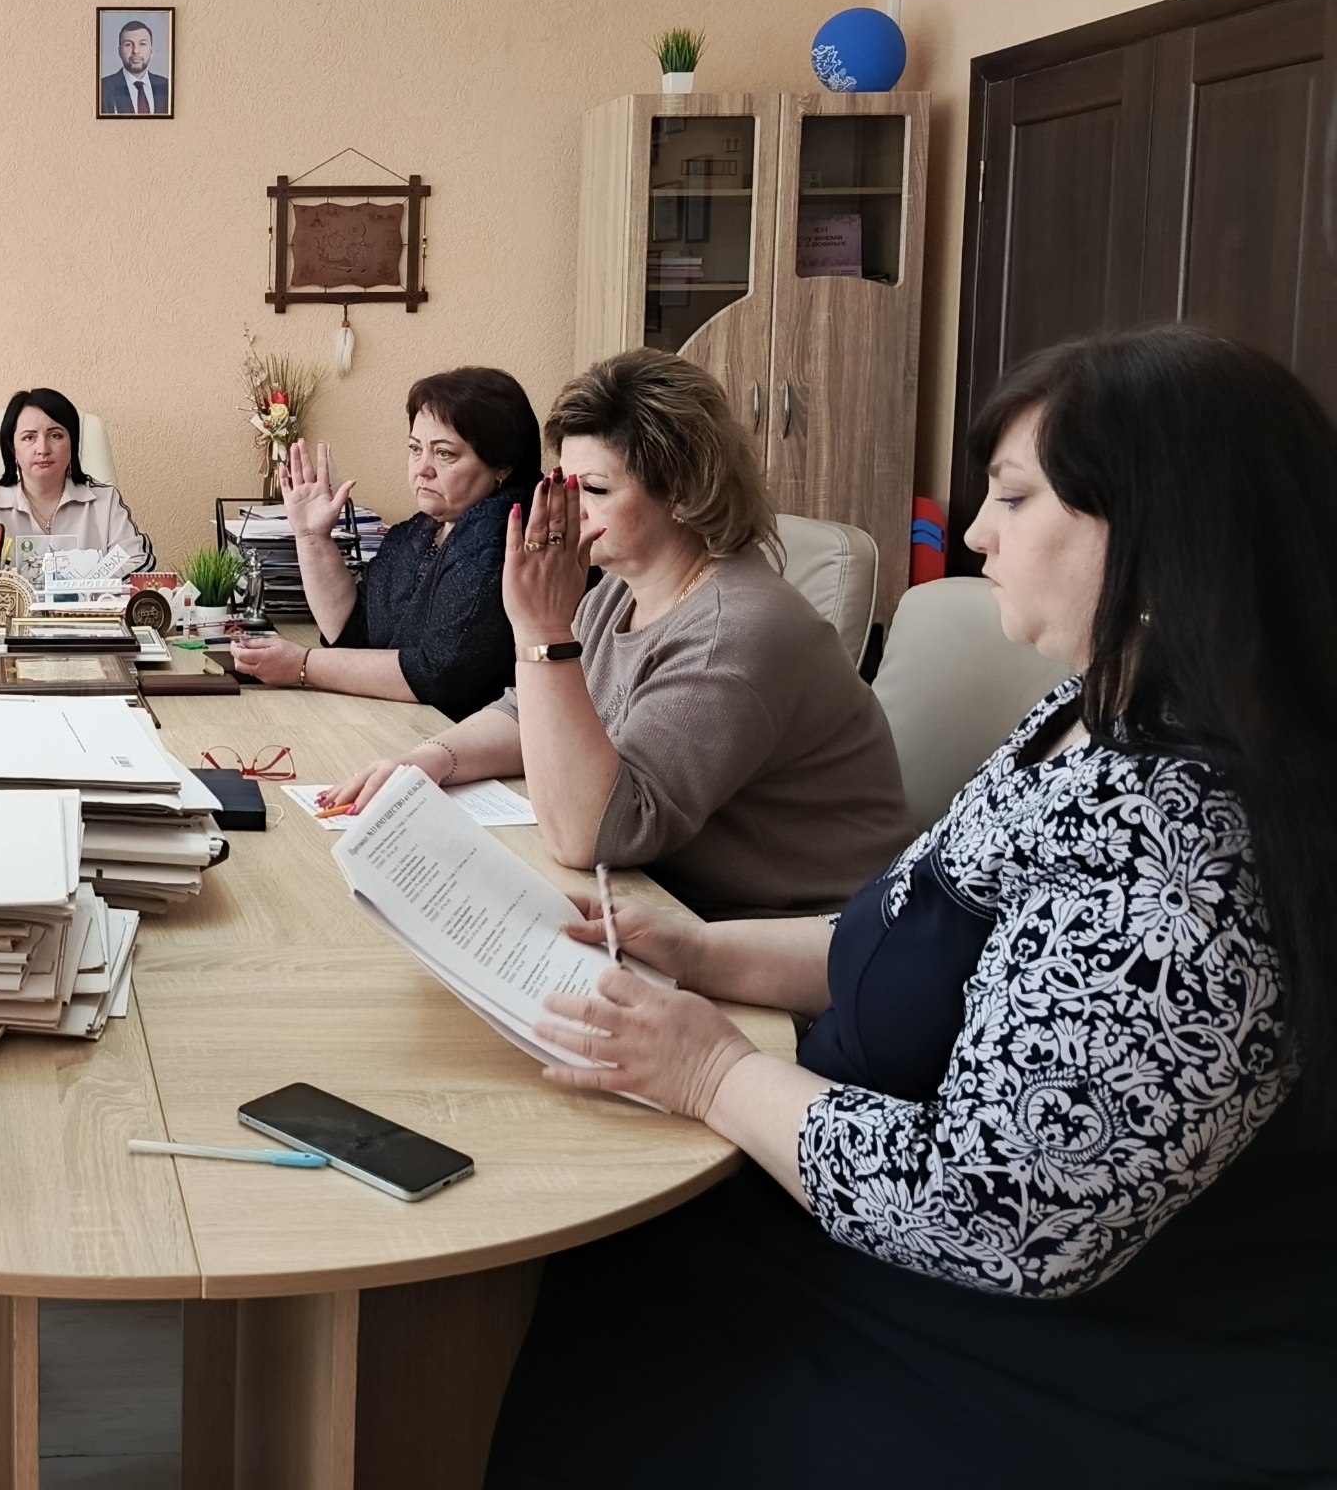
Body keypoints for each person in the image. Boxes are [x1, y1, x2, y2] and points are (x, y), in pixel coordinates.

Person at [487, 326, 1337, 1488]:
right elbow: (909, 930)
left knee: (609, 1333)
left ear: (1155, 530)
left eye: (1014, 497)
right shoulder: (1088, 714)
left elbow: (997, 1215)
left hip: (1045, 1347)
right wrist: (698, 950)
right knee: (583, 1260)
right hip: (872, 1198)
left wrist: (712, 1073)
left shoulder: (1182, 839)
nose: (973, 533)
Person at [324, 349, 907, 918]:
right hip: (662, 899)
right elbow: (527, 712)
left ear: (684, 493)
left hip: (794, 934)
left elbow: (593, 834)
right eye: (568, 485)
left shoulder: (730, 632)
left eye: (597, 491)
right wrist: (429, 760)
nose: (571, 510)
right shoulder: (619, 590)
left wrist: (541, 628)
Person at [229, 367, 538, 719]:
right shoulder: (420, 531)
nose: (423, 468)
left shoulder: (503, 539)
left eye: (445, 454)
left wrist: (303, 666)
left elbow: (437, 675)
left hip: (458, 738)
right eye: (415, 449)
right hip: (397, 723)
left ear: (502, 465)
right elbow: (353, 634)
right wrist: (312, 537)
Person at [0, 386, 153, 572]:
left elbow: (140, 563)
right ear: (13, 447)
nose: (43, 449)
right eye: (29, 437)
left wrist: (86, 585)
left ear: (72, 443)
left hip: (89, 602)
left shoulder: (103, 500)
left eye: (55, 435)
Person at [98, 19, 170, 116]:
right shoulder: (103, 88)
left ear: (151, 51)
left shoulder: (167, 86)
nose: (135, 51)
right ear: (119, 51)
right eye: (128, 44)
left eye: (142, 44)